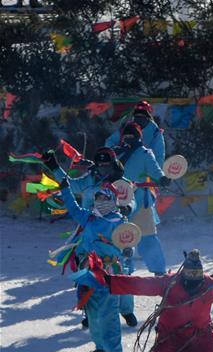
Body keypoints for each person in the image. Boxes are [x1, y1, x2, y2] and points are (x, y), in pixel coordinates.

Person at [45, 147, 139, 327]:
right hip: (88, 227)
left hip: (113, 233)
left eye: (107, 165)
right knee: (87, 277)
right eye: (100, 165)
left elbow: (131, 199)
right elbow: (69, 188)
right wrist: (54, 167)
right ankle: (90, 311)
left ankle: (126, 311)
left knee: (121, 278)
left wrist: (127, 208)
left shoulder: (121, 184)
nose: (103, 169)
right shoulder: (90, 179)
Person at [57, 177, 128, 352]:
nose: (100, 203)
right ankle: (100, 346)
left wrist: (128, 250)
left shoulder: (119, 221)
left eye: (105, 199)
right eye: (98, 199)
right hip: (88, 271)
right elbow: (72, 207)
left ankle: (114, 351)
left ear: (113, 201)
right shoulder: (88, 217)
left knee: (110, 311)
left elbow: (129, 241)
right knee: (92, 311)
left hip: (109, 271)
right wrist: (65, 187)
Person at [114, 122, 171, 276]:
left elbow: (155, 171)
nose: (128, 139)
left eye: (131, 135)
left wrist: (162, 179)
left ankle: (159, 273)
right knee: (121, 238)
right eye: (126, 136)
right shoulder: (116, 153)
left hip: (140, 202)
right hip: (119, 201)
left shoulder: (145, 153)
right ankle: (122, 272)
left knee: (147, 238)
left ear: (138, 136)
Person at [106, 101, 165, 167]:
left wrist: (116, 150)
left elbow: (109, 143)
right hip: (141, 168)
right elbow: (159, 154)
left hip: (128, 166)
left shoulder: (125, 127)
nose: (139, 117)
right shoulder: (156, 131)